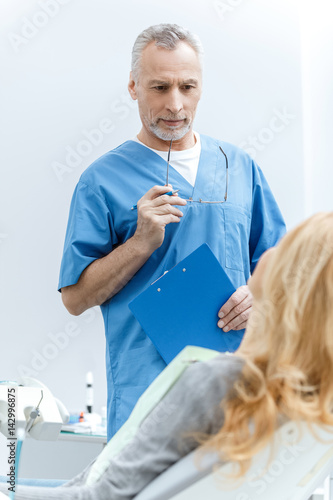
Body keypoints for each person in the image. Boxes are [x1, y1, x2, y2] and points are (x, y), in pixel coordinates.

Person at [2, 211, 332, 500]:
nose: (270, 248)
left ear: (295, 283)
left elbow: (101, 495)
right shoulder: (309, 404)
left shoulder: (220, 382)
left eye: (287, 246)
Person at [58, 23, 286, 438]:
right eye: (160, 87)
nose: (175, 105)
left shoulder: (239, 167)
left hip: (234, 389)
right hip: (147, 397)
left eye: (187, 87)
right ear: (133, 87)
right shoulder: (101, 181)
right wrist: (140, 244)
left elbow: (284, 267)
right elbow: (75, 299)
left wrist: (260, 294)